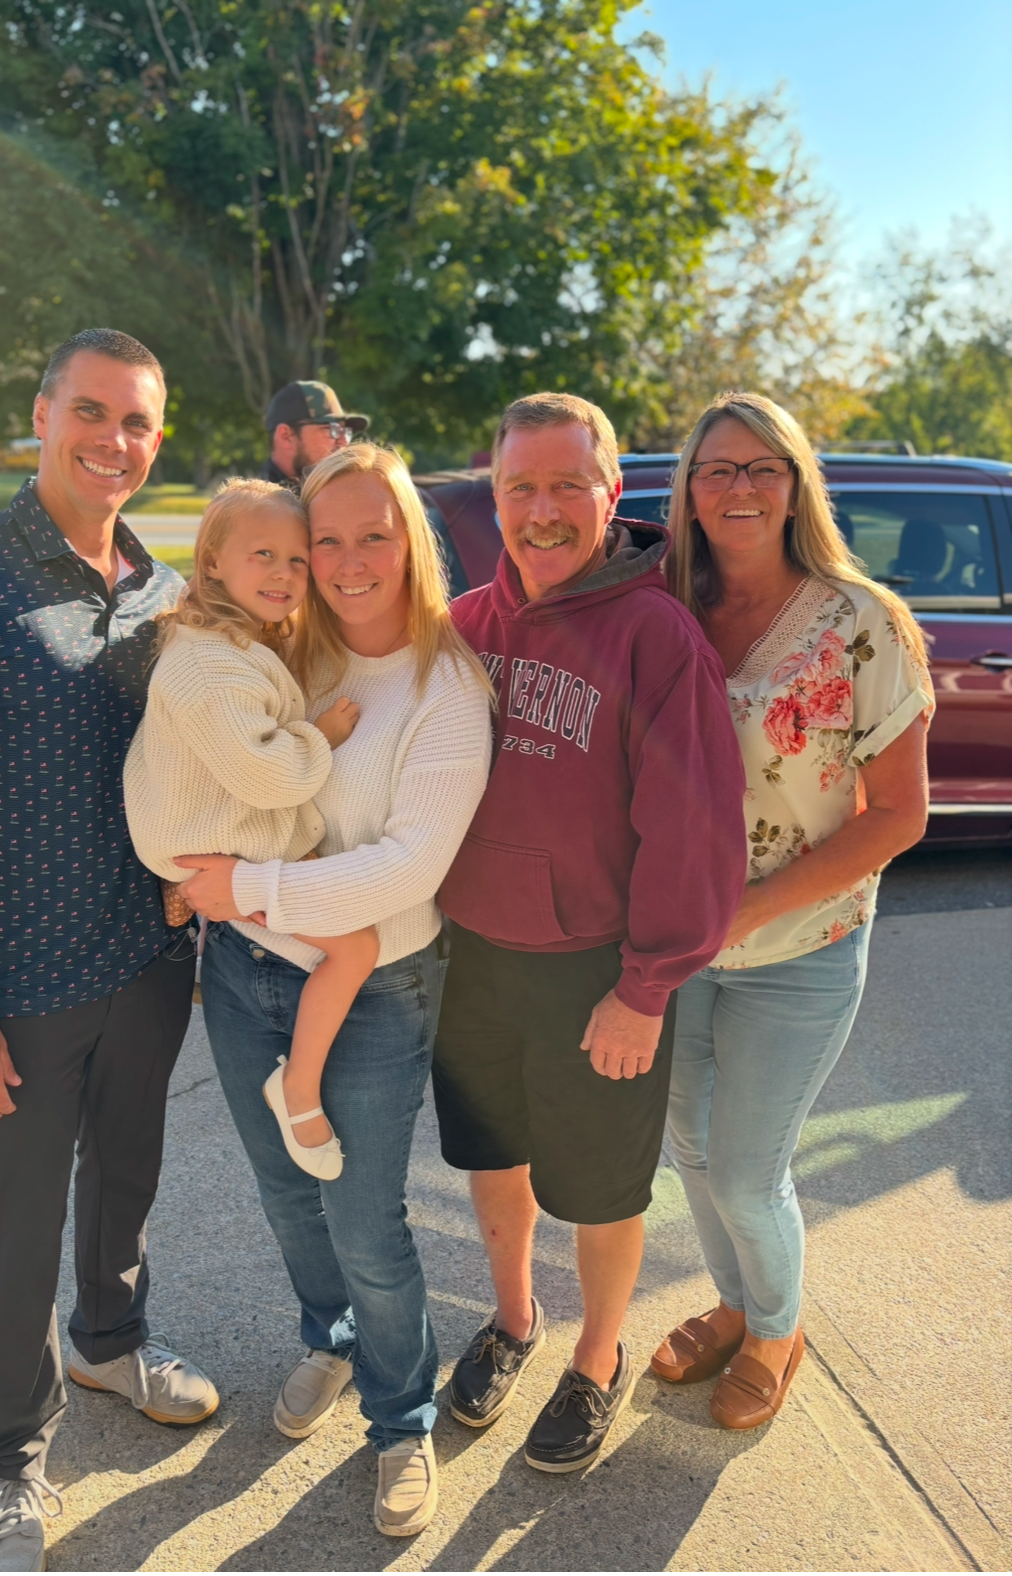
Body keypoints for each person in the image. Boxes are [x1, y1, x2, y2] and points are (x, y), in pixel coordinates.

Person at [0, 328, 218, 1574]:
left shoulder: (165, 593)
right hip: (12, 986)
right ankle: (9, 1454)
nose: (113, 440)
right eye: (91, 412)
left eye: (137, 422)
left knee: (128, 1174)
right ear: (41, 414)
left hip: (147, 960)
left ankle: (111, 1340)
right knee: (15, 1226)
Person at [173, 444, 493, 1537]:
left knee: (364, 1218)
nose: (349, 561)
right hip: (245, 967)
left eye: (374, 536)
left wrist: (243, 886)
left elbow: (407, 868)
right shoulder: (278, 650)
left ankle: (402, 1420)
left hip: (377, 982)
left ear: (411, 543)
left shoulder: (447, 686)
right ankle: (333, 1339)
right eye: (327, 540)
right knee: (283, 1188)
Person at [433, 392, 747, 1473]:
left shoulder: (656, 635)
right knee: (493, 1158)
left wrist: (646, 987)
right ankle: (513, 1319)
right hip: (473, 959)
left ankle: (597, 1356)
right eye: (520, 486)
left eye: (569, 484)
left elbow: (695, 831)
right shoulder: (465, 627)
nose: (543, 510)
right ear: (493, 497)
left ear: (612, 493)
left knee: (601, 1190)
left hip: (596, 975)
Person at [652, 391, 932, 1428]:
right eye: (717, 468)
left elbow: (899, 813)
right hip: (673, 946)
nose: (740, 486)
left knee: (745, 1169)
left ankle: (777, 1329)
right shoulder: (662, 607)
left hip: (802, 946)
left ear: (796, 484)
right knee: (688, 1148)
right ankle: (734, 1304)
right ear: (689, 490)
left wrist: (752, 907)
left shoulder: (860, 622)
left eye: (763, 466)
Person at [124, 478, 380, 1179]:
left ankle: (208, 921)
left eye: (297, 559)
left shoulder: (226, 642)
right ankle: (297, 1089)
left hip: (212, 838)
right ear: (211, 561)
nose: (283, 573)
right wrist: (321, 736)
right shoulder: (210, 666)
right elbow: (271, 777)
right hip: (222, 850)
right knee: (356, 948)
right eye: (262, 554)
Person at [263, 380, 369, 490]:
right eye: (331, 429)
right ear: (286, 436)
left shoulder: (337, 492)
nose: (344, 441)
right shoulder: (256, 499)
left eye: (345, 431)